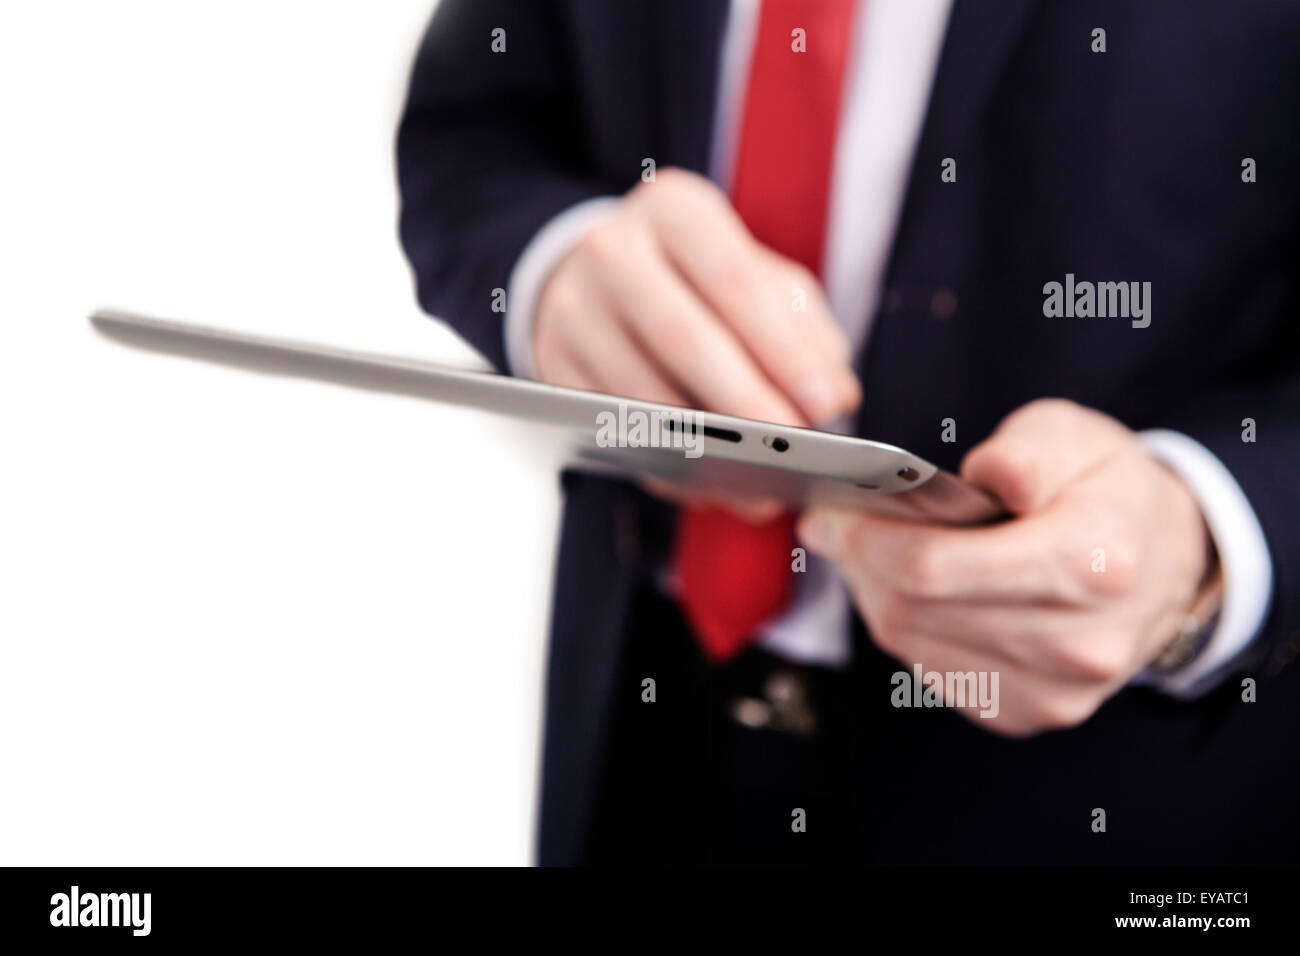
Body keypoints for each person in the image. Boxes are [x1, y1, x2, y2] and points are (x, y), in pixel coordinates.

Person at [397, 0, 1300, 865]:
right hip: (642, 730)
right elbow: (476, 126)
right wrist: (555, 269)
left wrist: (1206, 533)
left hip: (1132, 792)